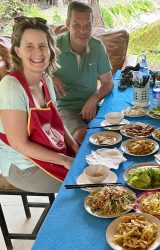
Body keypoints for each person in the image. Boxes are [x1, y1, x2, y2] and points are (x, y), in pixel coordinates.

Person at [0, 16, 79, 193]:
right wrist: (65, 160)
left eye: (43, 45)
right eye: (29, 46)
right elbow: (19, 144)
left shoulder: (46, 80)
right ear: (18, 51)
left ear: (51, 49)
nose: (38, 52)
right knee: (83, 182)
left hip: (48, 151)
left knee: (96, 167)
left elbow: (56, 120)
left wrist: (74, 146)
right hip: (23, 165)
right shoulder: (11, 86)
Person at [53, 1, 114, 143]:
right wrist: (49, 75)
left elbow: (108, 82)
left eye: (87, 26)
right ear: (67, 24)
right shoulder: (54, 46)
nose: (83, 31)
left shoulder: (97, 46)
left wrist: (94, 99)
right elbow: (33, 71)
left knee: (119, 128)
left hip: (92, 104)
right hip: (66, 107)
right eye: (76, 25)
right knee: (83, 137)